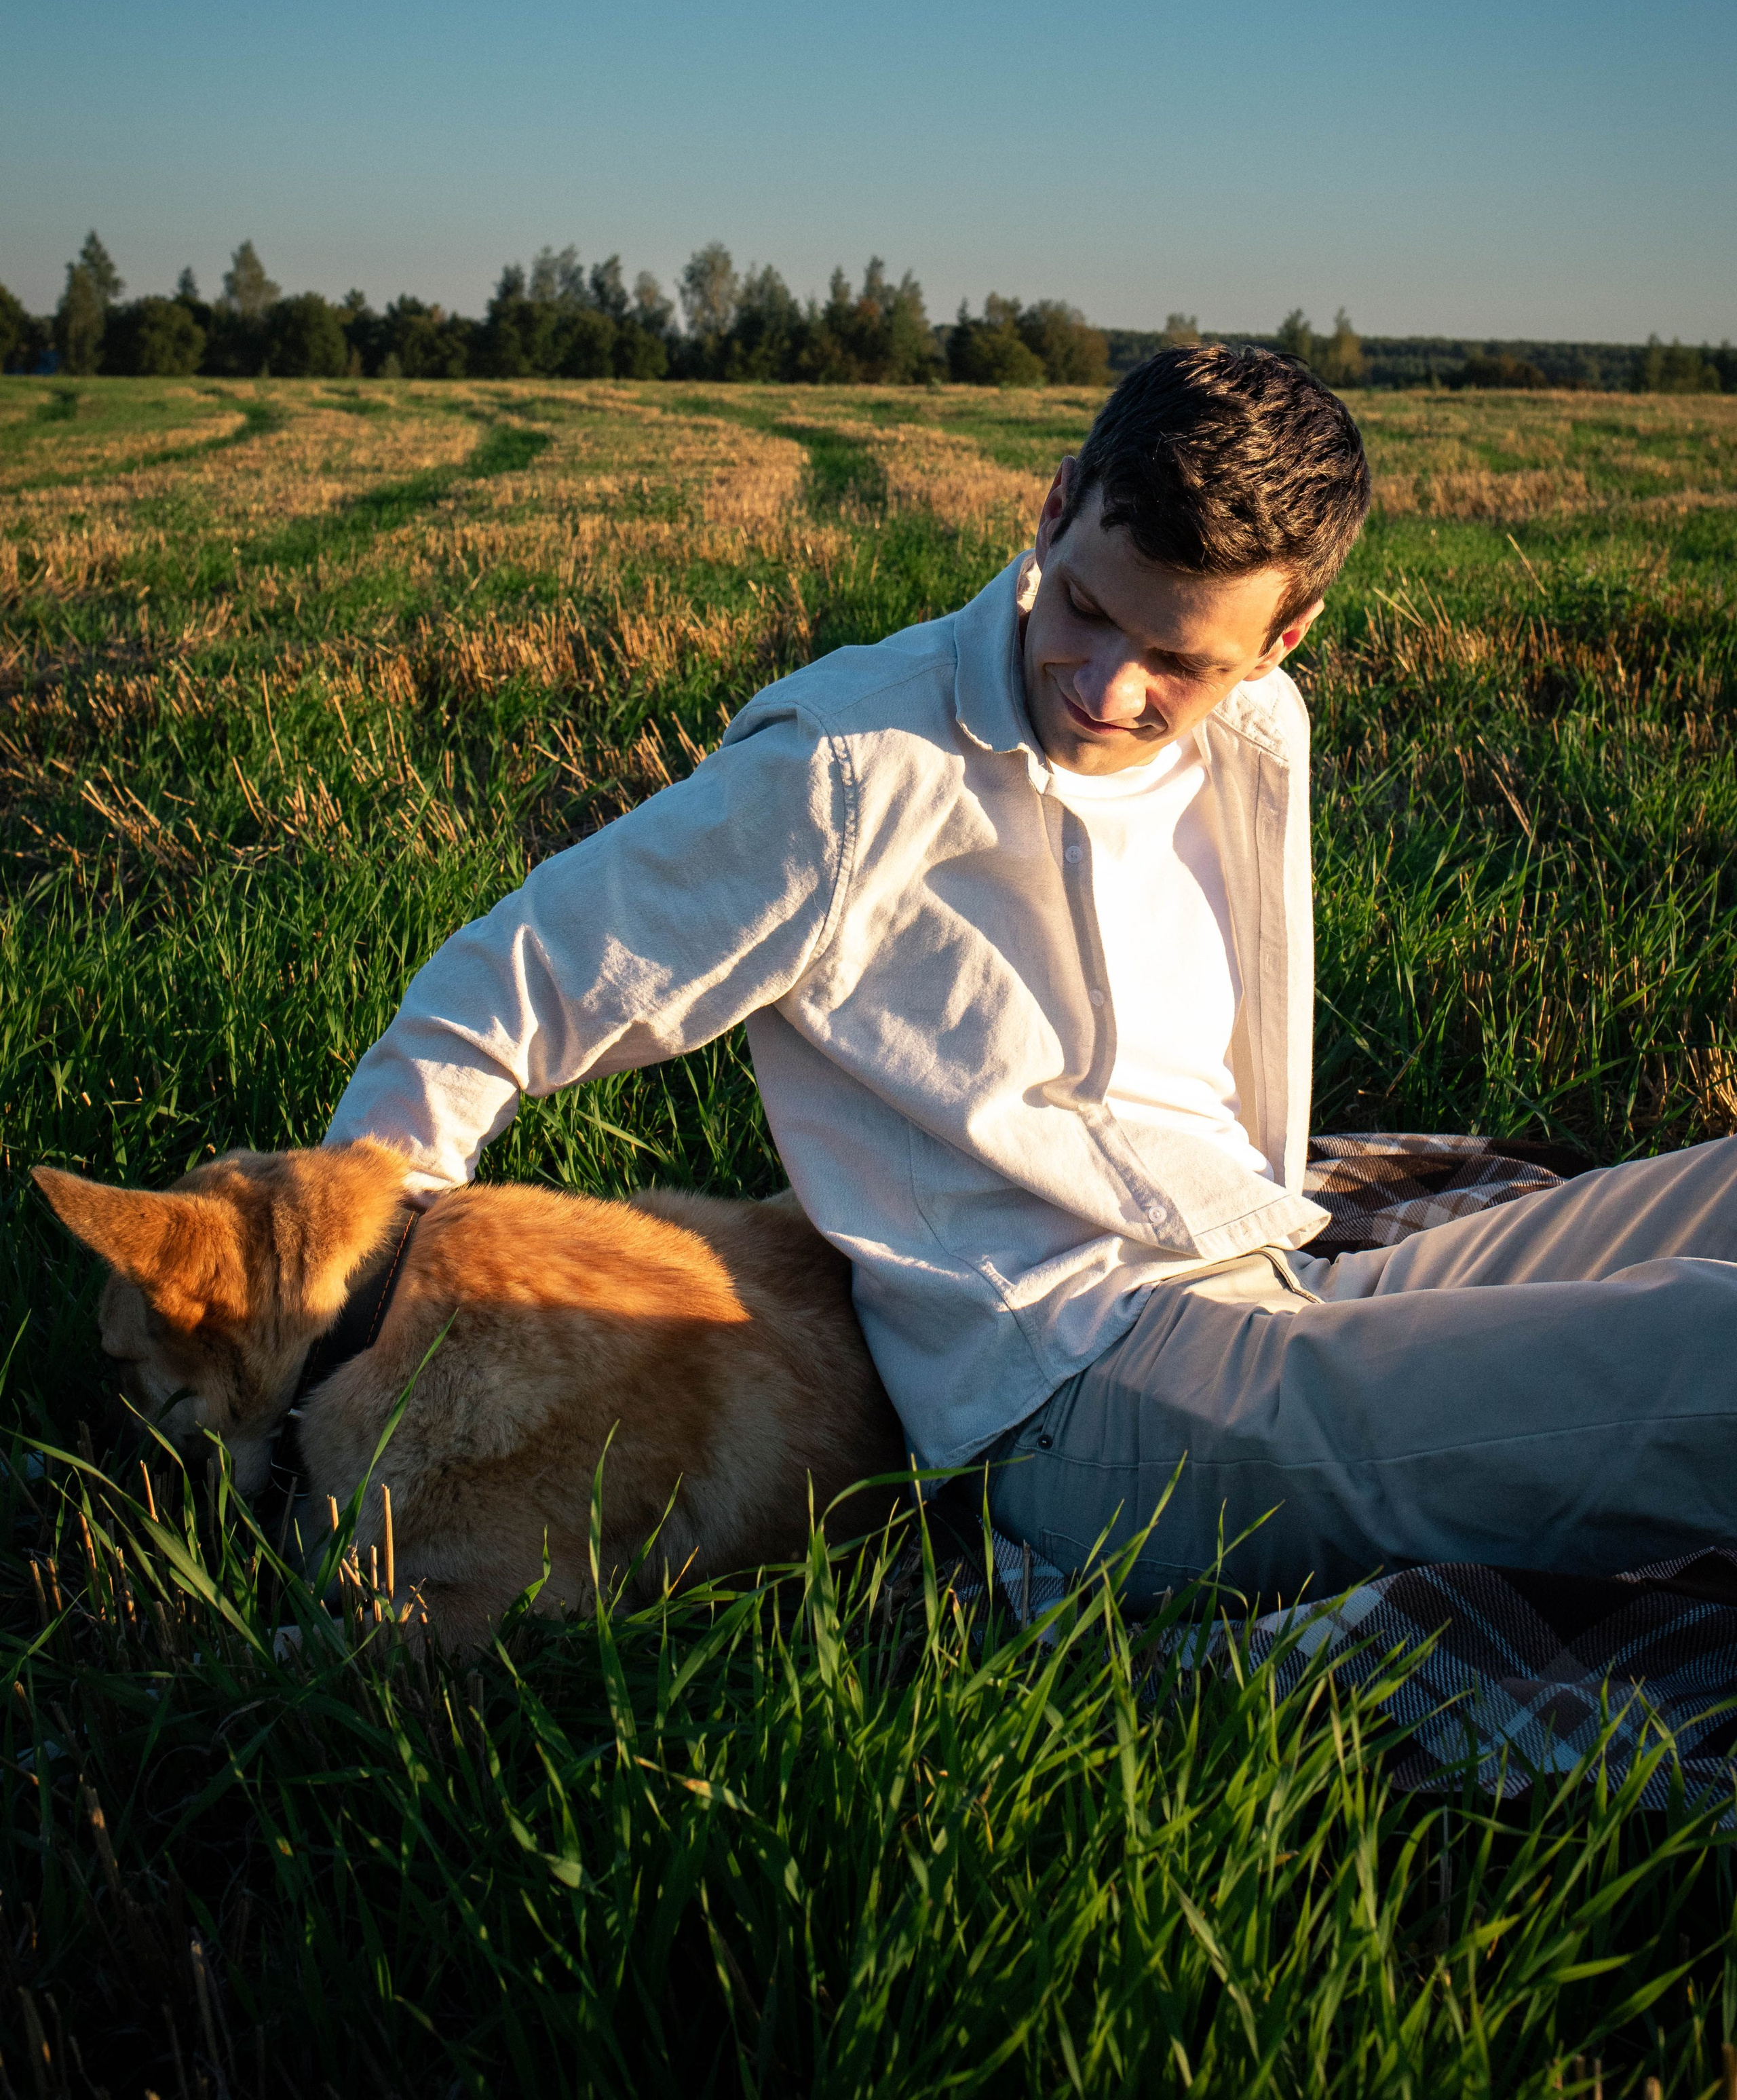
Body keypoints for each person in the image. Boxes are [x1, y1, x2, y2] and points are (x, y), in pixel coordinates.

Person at [328, 344, 1737, 1607]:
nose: (1105, 687)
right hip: (1077, 1401)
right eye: (1083, 608)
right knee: (1703, 1354)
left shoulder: (1262, 733)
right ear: (1052, 508)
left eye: (1175, 661)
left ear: (1278, 643)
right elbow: (510, 978)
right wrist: (347, 1317)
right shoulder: (849, 770)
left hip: (1268, 1266)